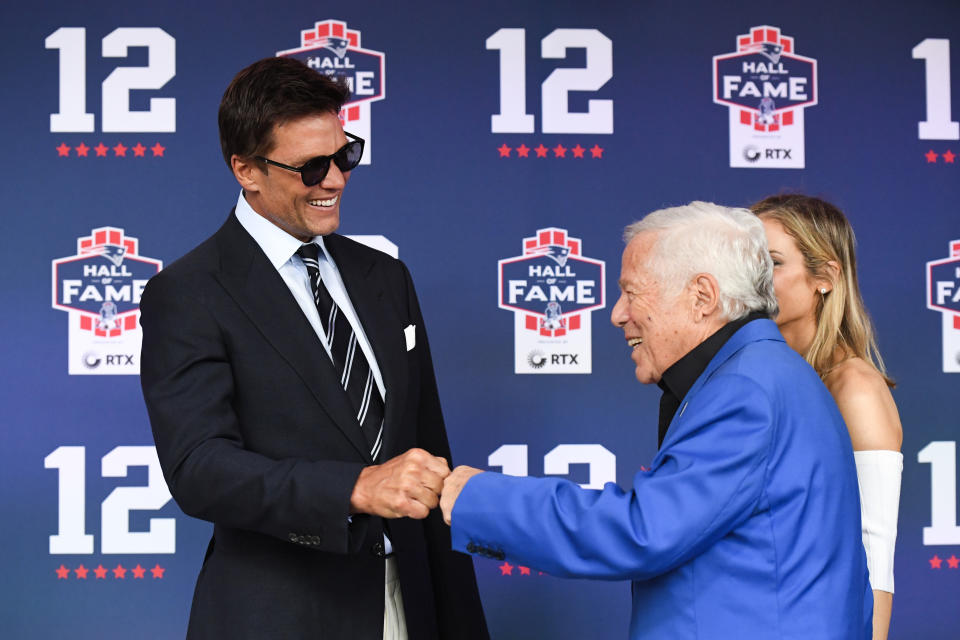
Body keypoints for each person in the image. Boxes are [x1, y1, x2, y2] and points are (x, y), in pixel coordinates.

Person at [139, 57, 488, 640]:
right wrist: (353, 487)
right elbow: (199, 468)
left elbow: (425, 450)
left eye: (344, 155)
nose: (335, 180)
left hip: (411, 603)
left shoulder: (384, 276)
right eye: (311, 167)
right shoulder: (189, 292)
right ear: (246, 170)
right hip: (281, 616)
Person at [440, 202, 872, 639]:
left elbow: (643, 532)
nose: (617, 313)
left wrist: (476, 498)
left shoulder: (746, 388)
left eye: (632, 291)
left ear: (702, 296)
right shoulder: (760, 372)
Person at [752, 194, 903, 640]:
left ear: (825, 278)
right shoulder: (759, 378)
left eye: (773, 262)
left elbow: (874, 552)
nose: (754, 278)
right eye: (748, 260)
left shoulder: (854, 389)